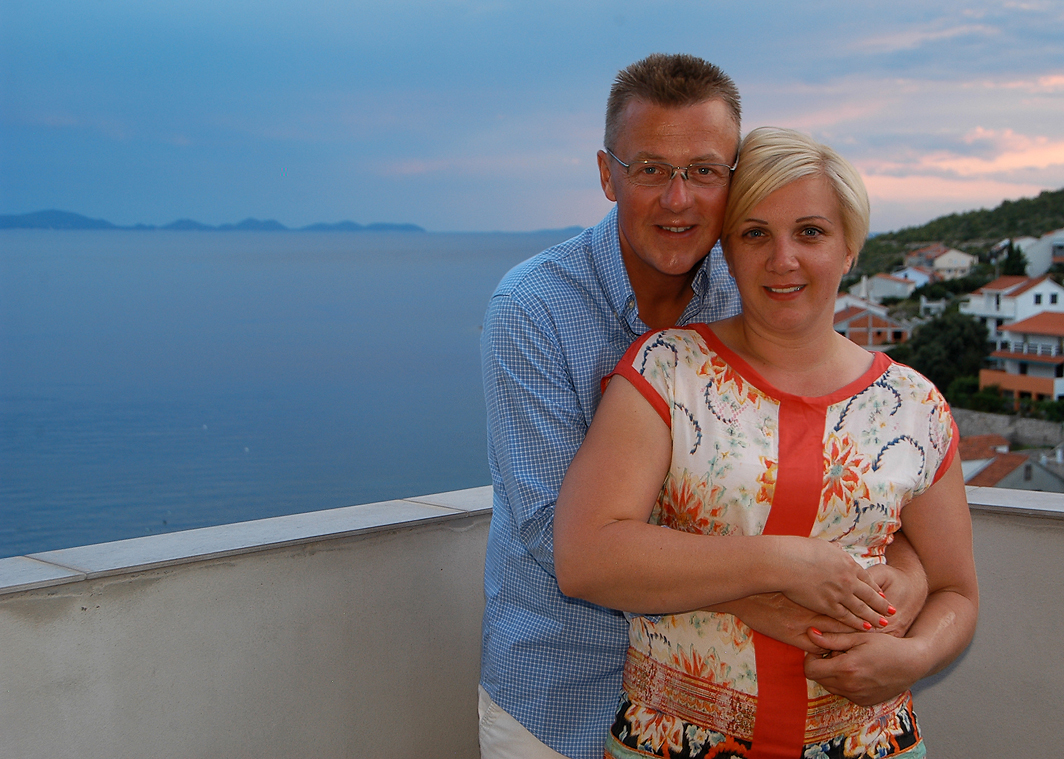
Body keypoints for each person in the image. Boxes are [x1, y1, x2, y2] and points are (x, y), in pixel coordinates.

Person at [480, 54, 929, 759]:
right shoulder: (533, 309)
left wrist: (903, 585)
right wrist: (768, 595)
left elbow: (852, 469)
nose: (678, 198)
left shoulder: (752, 284)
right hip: (562, 692)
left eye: (704, 170)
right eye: (650, 169)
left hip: (711, 719)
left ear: (733, 180)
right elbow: (554, 532)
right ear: (607, 175)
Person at [553, 126, 979, 758]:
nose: (783, 259)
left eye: (810, 232)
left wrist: (913, 657)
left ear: (849, 248)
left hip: (871, 743)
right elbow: (586, 556)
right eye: (755, 234)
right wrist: (781, 566)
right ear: (727, 251)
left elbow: (956, 592)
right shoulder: (667, 371)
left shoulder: (914, 406)